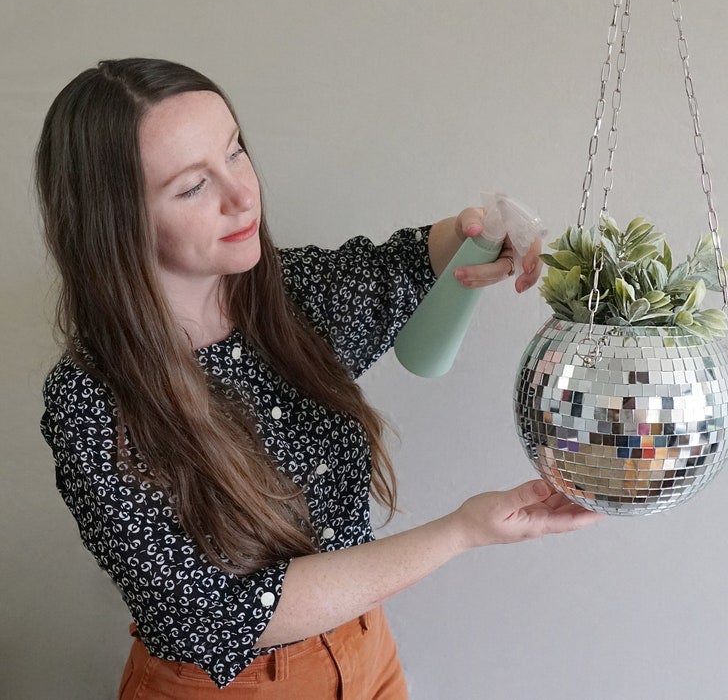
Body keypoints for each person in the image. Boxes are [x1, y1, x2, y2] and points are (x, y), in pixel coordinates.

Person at [35, 58, 602, 699]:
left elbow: (399, 267)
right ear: (116, 222)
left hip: (367, 655)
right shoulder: (91, 399)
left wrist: (488, 231)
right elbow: (216, 617)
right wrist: (462, 531)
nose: (243, 194)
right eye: (193, 186)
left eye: (236, 152)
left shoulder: (288, 295)